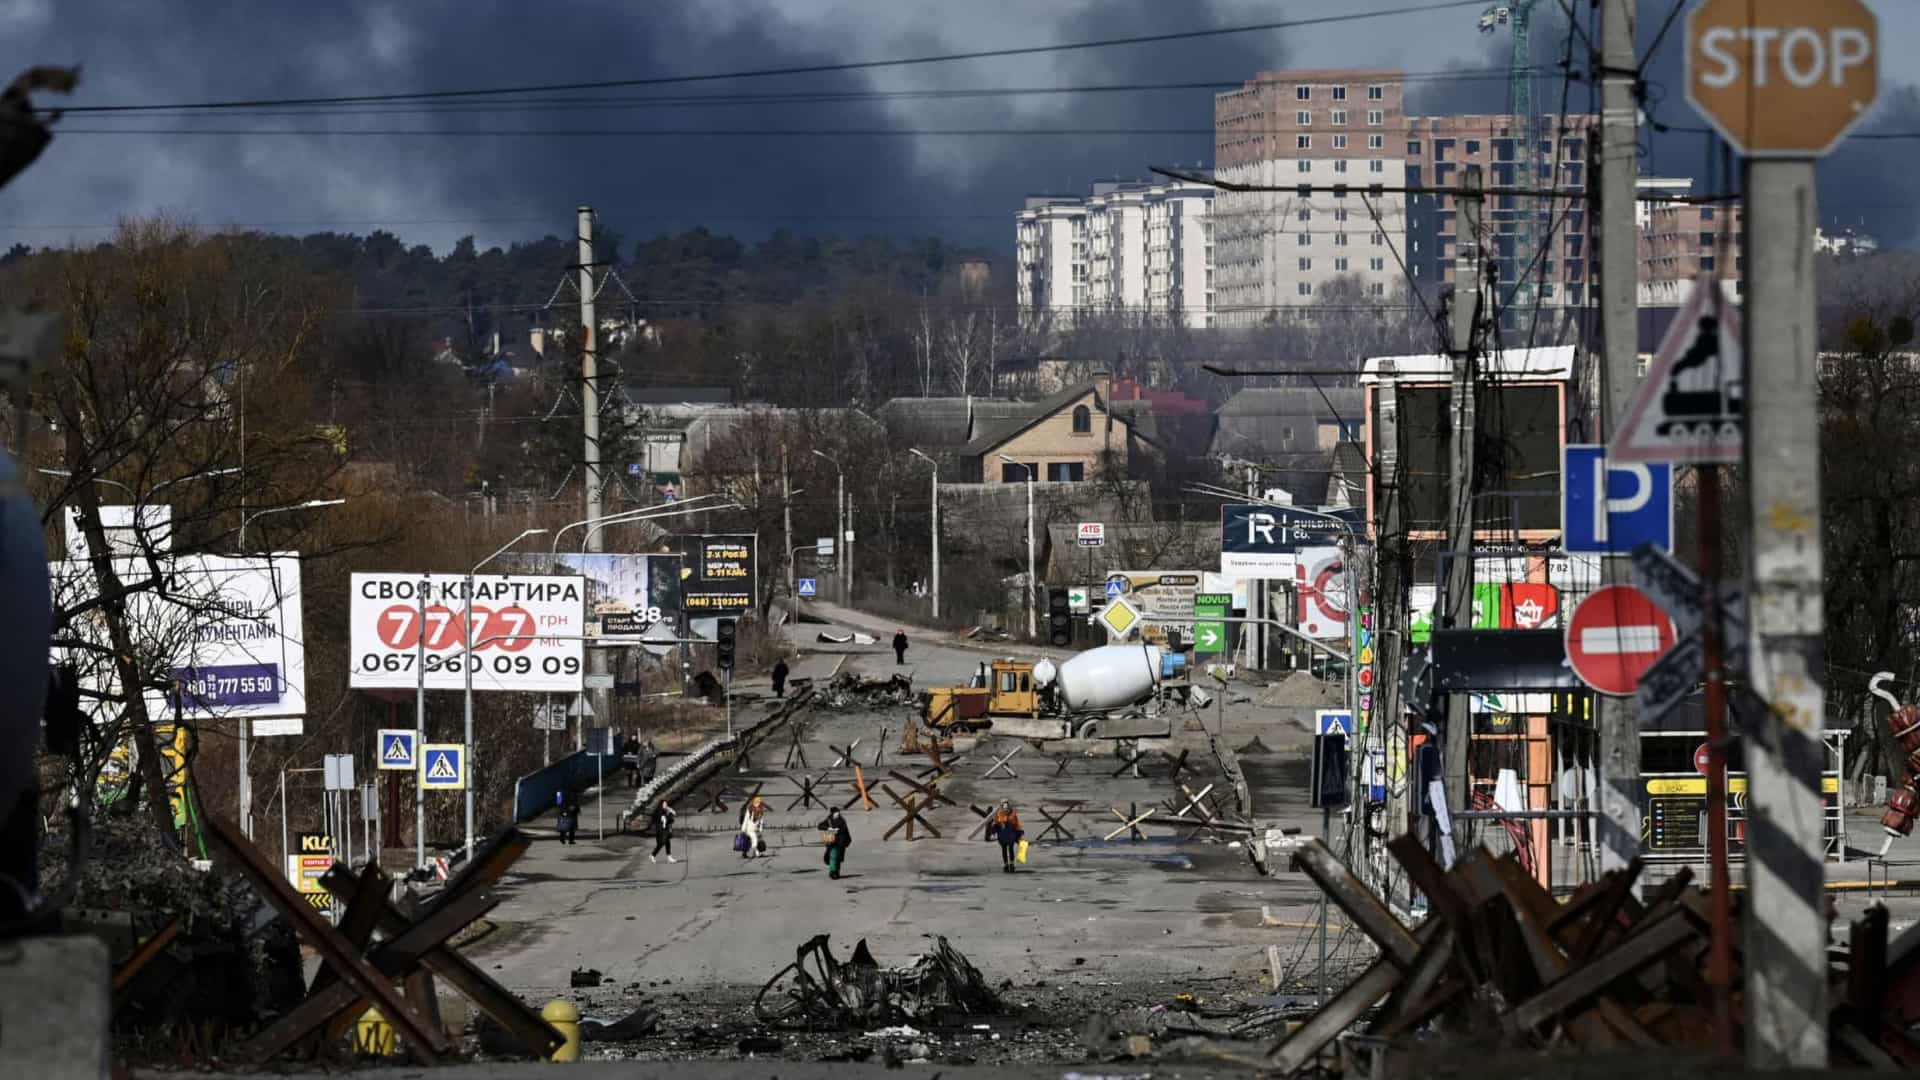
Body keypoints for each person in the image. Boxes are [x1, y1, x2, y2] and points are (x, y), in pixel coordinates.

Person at [987, 800, 1023, 873]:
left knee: (1008, 848)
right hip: (1005, 834)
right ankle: (1008, 864)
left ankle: (1009, 864)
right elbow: (996, 822)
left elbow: (1015, 823)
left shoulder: (1003, 813)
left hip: (1008, 833)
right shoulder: (1002, 813)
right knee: (1007, 848)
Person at [818, 806, 852, 879]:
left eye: (837, 812)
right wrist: (828, 828)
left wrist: (838, 831)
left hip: (840, 841)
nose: (837, 814)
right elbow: (820, 826)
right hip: (831, 841)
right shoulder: (829, 819)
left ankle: (836, 872)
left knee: (838, 858)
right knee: (833, 856)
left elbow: (845, 831)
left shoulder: (842, 820)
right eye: (835, 813)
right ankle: (833, 871)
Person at [648, 799, 677, 864]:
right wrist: (668, 815)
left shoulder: (666, 811)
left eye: (666, 804)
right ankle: (653, 855)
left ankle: (669, 857)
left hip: (665, 829)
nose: (665, 805)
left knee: (666, 842)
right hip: (660, 830)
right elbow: (658, 819)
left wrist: (670, 811)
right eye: (664, 804)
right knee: (661, 843)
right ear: (661, 804)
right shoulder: (658, 811)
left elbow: (671, 820)